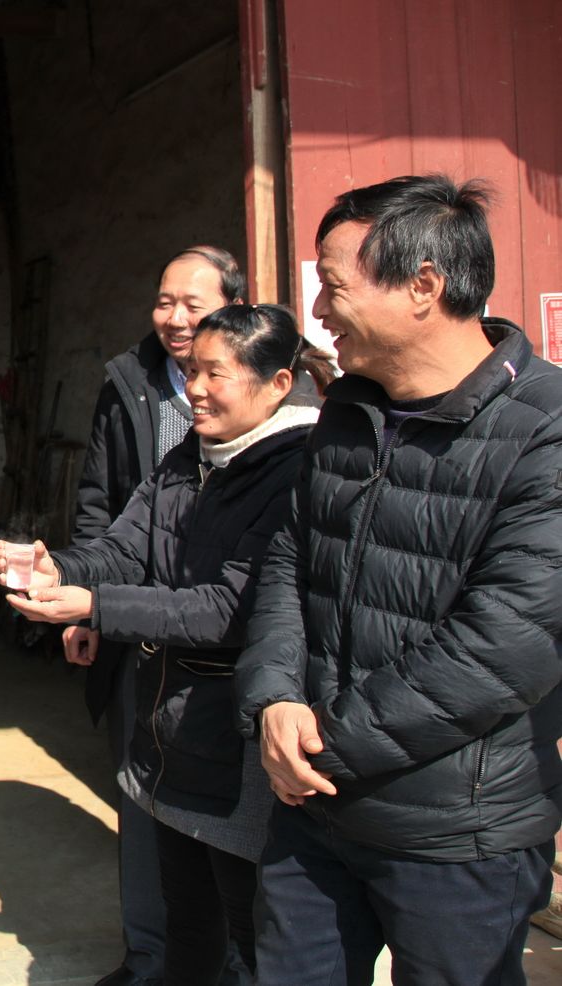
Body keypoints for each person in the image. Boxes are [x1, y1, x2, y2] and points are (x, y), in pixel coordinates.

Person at [236, 174, 562, 985]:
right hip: (313, 811)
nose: (318, 312)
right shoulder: (349, 410)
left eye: (334, 287)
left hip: (455, 835)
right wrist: (273, 698)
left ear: (423, 285)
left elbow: (504, 646)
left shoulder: (545, 429)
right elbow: (289, 561)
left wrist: (321, 741)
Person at [0, 304, 330, 985]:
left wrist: (95, 606)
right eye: (190, 372)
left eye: (215, 374)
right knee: (189, 927)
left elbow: (227, 609)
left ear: (277, 384)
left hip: (241, 746)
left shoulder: (299, 469)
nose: (195, 390)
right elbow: (126, 547)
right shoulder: (193, 455)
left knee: (253, 938)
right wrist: (61, 570)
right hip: (172, 734)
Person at [71, 245, 245, 986]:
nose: (174, 319)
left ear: (234, 308)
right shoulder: (129, 383)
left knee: (229, 810)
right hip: (134, 621)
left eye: (192, 306)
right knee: (139, 793)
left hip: (225, 631)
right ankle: (149, 959)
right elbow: (98, 502)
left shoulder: (276, 385)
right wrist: (84, 607)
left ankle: (231, 963)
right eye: (164, 302)